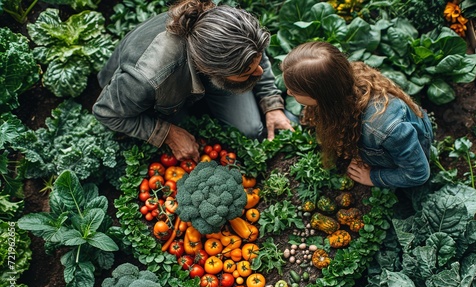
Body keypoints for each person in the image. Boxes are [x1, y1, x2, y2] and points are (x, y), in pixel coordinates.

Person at [93, 0, 294, 162]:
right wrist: (167, 133)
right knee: (189, 130)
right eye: (247, 71)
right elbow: (105, 111)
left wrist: (271, 102)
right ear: (212, 70)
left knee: (251, 130)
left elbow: (254, 55)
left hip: (197, 72)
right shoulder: (147, 79)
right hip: (165, 94)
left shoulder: (226, 25)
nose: (259, 72)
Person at [281, 41, 434, 189]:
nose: (288, 92)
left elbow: (418, 173)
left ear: (321, 96)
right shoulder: (341, 80)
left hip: (399, 149)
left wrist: (373, 177)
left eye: (295, 92)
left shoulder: (383, 129)